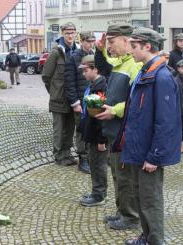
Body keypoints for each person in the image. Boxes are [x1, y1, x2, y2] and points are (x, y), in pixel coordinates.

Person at [114, 27, 181, 245]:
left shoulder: (161, 77)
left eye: (133, 46)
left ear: (147, 46)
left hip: (149, 155)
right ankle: (146, 236)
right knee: (140, 197)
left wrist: (155, 156)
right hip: (137, 150)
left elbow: (166, 122)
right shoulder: (145, 72)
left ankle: (155, 241)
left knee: (150, 200)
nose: (130, 50)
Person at [94, 23, 142, 230]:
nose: (109, 47)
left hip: (125, 132)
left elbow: (138, 101)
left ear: (126, 41)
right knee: (117, 174)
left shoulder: (134, 65)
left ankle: (130, 217)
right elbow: (106, 62)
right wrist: (100, 49)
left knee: (125, 176)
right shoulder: (120, 62)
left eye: (112, 42)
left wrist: (115, 110)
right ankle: (122, 210)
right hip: (115, 131)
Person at [42, 22, 80, 166]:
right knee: (59, 129)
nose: (70, 36)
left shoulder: (77, 51)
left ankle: (67, 154)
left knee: (70, 129)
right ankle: (59, 156)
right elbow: (46, 76)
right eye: (67, 33)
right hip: (58, 98)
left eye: (72, 33)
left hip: (73, 98)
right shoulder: (56, 52)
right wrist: (54, 92)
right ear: (62, 34)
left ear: (76, 33)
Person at [77, 55, 109, 206]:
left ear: (95, 69)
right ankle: (97, 191)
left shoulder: (100, 87)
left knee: (98, 165)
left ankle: (99, 195)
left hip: (98, 137)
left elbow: (101, 115)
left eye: (86, 70)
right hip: (91, 133)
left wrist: (102, 140)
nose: (83, 74)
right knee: (94, 163)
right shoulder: (93, 85)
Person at [64, 31, 96, 174]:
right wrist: (75, 102)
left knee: (94, 128)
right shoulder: (74, 57)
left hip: (94, 98)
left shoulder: (95, 56)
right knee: (82, 130)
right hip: (80, 100)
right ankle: (83, 159)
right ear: (82, 41)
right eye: (88, 41)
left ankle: (93, 157)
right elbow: (69, 82)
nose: (91, 44)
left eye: (93, 41)